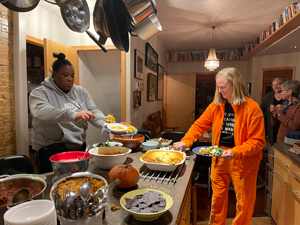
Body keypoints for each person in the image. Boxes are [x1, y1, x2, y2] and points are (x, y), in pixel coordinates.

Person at [173, 67, 266, 225]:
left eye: (223, 87)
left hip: (243, 162)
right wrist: (186, 141)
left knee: (244, 204)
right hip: (219, 158)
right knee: (217, 201)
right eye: (218, 87)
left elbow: (257, 142)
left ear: (234, 85)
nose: (220, 91)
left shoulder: (253, 108)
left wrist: (235, 152)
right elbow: (199, 125)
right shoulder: (216, 106)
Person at [29, 52, 105, 152]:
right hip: (49, 148)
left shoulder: (80, 91)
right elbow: (42, 112)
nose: (70, 79)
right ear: (55, 74)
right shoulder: (39, 92)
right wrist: (74, 115)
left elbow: (92, 110)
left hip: (78, 144)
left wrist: (107, 125)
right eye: (66, 75)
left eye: (72, 76)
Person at [260, 78, 284, 146]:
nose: (275, 87)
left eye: (277, 84)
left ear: (282, 85)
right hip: (271, 125)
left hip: (283, 124)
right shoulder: (268, 96)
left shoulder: (286, 96)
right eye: (273, 85)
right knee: (272, 144)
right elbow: (261, 110)